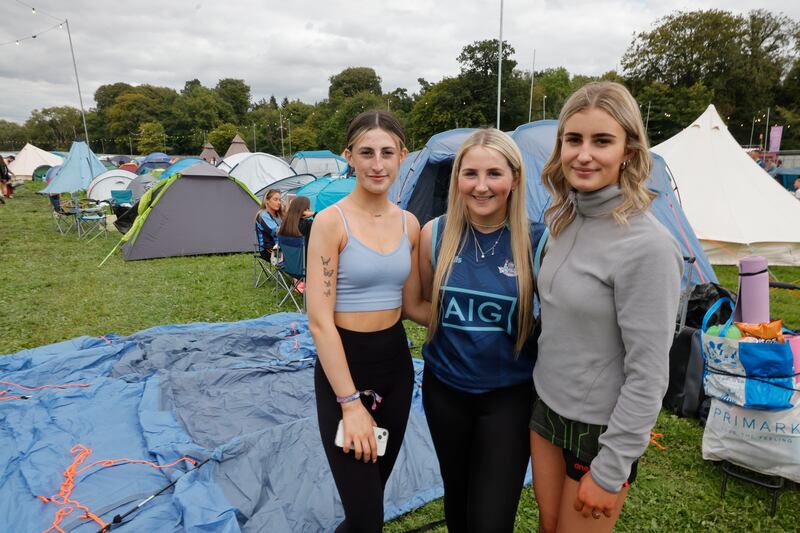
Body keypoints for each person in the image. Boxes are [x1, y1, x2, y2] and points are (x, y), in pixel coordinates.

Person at [529, 81, 682, 533]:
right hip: (546, 409)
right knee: (547, 526)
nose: (583, 154)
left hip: (600, 431)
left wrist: (612, 466)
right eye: (573, 140)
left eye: (602, 141)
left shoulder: (647, 246)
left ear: (629, 151)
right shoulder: (564, 220)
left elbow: (649, 373)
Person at [415, 128, 544, 532]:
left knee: (490, 518)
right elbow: (418, 303)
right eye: (470, 174)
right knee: (457, 498)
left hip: (508, 397)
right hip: (445, 391)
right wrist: (465, 327)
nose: (482, 186)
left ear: (515, 179)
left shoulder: (538, 241)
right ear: (457, 179)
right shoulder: (434, 234)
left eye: (494, 174)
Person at [306, 109, 425, 532]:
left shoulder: (410, 225)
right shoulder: (329, 222)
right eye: (367, 152)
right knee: (366, 515)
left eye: (388, 152)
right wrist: (350, 403)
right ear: (349, 157)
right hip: (344, 371)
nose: (378, 164)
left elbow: (413, 307)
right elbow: (320, 321)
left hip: (395, 369)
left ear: (403, 157)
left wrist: (477, 323)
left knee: (371, 497)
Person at [255, 189, 284, 261]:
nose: (279, 202)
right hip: (269, 250)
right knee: (296, 257)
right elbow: (277, 232)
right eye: (275, 199)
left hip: (281, 247)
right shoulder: (262, 215)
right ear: (267, 201)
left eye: (280, 200)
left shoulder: (279, 215)